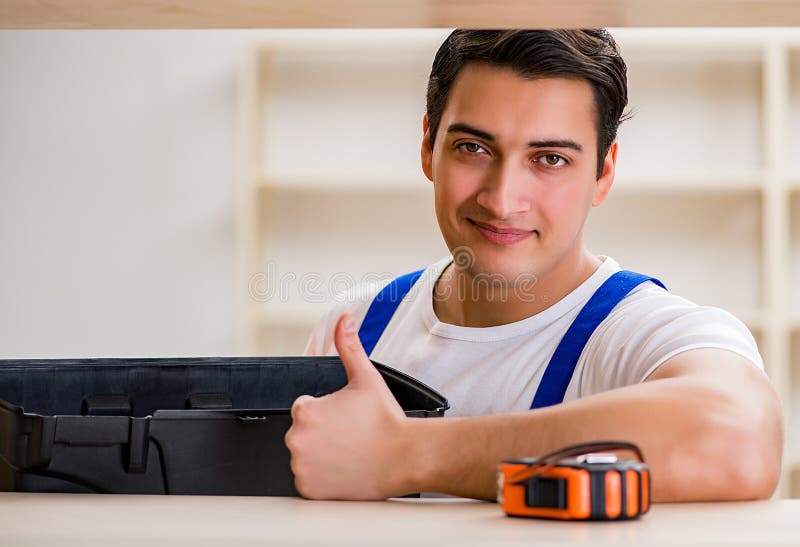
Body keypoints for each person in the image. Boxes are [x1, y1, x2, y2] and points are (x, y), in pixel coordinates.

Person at [285, 29, 783, 502]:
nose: (502, 200)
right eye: (474, 148)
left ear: (603, 173)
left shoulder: (640, 334)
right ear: (427, 148)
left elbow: (736, 438)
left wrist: (405, 453)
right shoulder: (356, 325)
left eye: (549, 159)